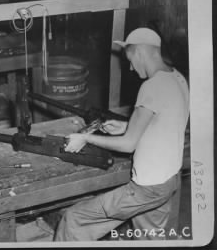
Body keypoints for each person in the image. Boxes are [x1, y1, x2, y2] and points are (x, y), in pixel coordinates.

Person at [54, 27, 190, 241]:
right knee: (151, 239)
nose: (131, 68)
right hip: (170, 180)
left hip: (147, 188)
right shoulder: (178, 79)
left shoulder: (152, 86)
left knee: (74, 219)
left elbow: (128, 145)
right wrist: (125, 126)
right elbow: (164, 123)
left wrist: (85, 137)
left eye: (130, 59)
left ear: (141, 52)